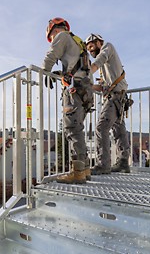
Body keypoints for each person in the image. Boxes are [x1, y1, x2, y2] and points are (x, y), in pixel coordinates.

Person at [42, 17, 94, 184]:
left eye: (52, 36)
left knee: (72, 129)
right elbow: (76, 66)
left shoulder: (62, 36)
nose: (53, 39)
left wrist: (45, 72)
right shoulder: (78, 43)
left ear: (54, 31)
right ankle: (85, 169)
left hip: (75, 90)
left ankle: (77, 172)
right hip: (86, 89)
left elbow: (51, 55)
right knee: (78, 129)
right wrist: (59, 74)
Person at [85, 33, 130, 174]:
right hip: (119, 98)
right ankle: (123, 163)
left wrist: (86, 73)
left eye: (92, 45)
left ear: (99, 42)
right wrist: (86, 84)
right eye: (88, 48)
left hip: (115, 98)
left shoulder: (107, 48)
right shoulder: (107, 68)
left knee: (101, 128)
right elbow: (103, 87)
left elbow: (98, 61)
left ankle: (103, 165)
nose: (90, 50)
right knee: (119, 131)